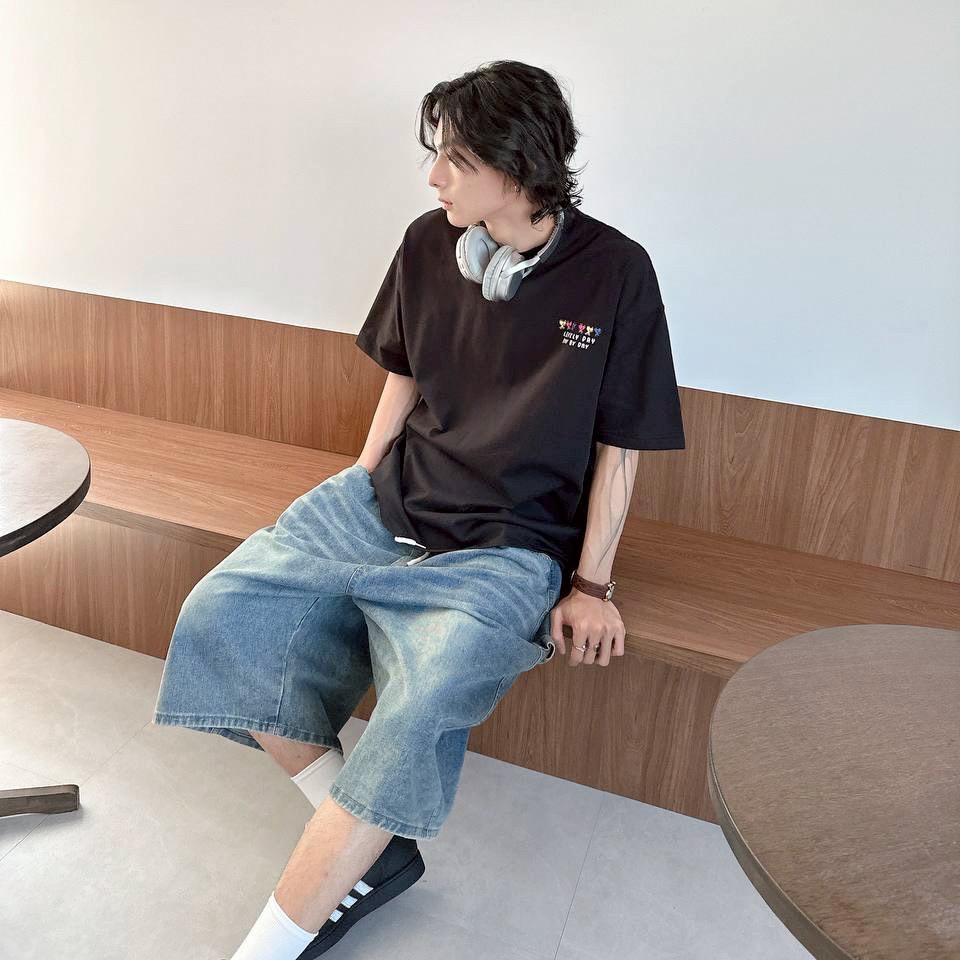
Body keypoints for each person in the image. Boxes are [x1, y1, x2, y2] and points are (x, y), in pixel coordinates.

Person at [152, 59, 684, 960]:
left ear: (518, 165)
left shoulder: (617, 272)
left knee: (423, 697)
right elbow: (401, 377)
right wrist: (357, 481)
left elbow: (619, 445)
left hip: (511, 543)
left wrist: (592, 584)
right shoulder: (427, 243)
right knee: (222, 615)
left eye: (455, 159)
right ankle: (372, 844)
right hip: (392, 497)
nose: (434, 177)